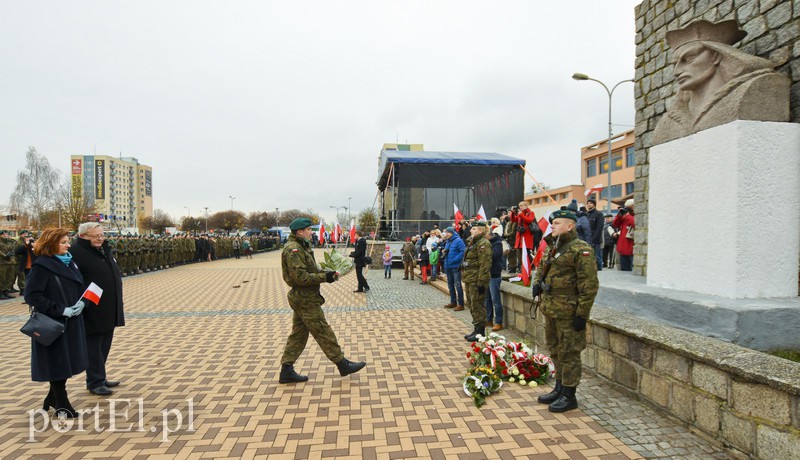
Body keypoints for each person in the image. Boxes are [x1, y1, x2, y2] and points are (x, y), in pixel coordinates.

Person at [653, 19, 790, 144]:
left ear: (716, 56)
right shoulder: (669, 121)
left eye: (688, 60)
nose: (677, 71)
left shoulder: (757, 90)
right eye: (674, 64)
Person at [278, 218, 366, 384]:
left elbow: (310, 270)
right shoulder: (293, 250)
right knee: (322, 331)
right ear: (299, 232)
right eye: (308, 230)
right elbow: (300, 277)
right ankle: (342, 363)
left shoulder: (301, 247)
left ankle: (286, 370)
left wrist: (328, 273)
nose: (311, 232)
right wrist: (324, 277)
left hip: (305, 297)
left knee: (298, 335)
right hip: (305, 299)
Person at [532, 210, 599, 413]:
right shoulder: (553, 247)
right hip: (551, 308)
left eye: (557, 222)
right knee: (554, 348)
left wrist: (582, 315)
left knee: (569, 352)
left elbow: (589, 286)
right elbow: (541, 269)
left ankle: (569, 395)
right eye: (552, 222)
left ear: (570, 226)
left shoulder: (581, 249)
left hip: (569, 311)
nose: (552, 225)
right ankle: (559, 387)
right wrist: (537, 284)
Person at [23, 228, 89, 418]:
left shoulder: (69, 262)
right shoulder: (42, 266)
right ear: (51, 244)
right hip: (53, 323)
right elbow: (32, 296)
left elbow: (78, 285)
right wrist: (61, 310)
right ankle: (61, 402)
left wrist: (83, 303)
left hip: (71, 321)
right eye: (63, 242)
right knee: (57, 363)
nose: (68, 245)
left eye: (67, 241)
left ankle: (52, 397)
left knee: (67, 361)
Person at [69, 222, 125, 396]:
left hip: (109, 305)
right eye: (96, 236)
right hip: (91, 308)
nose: (100, 238)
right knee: (93, 347)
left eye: (102, 235)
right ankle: (95, 381)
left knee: (105, 344)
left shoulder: (103, 249)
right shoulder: (76, 253)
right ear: (83, 236)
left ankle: (100, 376)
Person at [462, 221, 492, 341]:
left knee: (478, 304)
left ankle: (481, 332)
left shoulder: (483, 243)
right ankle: (476, 328)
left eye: (474, 229)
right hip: (470, 278)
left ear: (480, 230)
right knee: (471, 304)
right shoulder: (472, 242)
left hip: (477, 279)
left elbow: (485, 263)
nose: (471, 230)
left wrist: (481, 281)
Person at [485, 225, 504, 332]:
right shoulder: (487, 243)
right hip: (486, 274)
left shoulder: (497, 243)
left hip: (494, 274)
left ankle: (498, 322)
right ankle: (489, 319)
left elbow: (494, 255)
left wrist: (485, 248)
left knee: (495, 299)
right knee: (487, 299)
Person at [441, 227, 466, 310]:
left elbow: (463, 252)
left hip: (455, 266)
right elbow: (448, 251)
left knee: (458, 285)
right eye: (446, 232)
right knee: (450, 285)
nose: (446, 234)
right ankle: (453, 302)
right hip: (448, 266)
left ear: (452, 232)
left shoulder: (458, 241)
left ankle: (461, 304)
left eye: (448, 232)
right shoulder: (448, 241)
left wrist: (454, 260)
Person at [512, 202, 536, 275]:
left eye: (522, 205)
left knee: (527, 253)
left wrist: (521, 215)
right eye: (519, 206)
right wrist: (513, 213)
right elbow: (513, 220)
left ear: (526, 206)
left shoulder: (531, 213)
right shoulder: (520, 214)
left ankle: (531, 267)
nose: (520, 207)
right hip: (520, 237)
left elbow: (529, 220)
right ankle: (523, 269)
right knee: (520, 254)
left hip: (526, 237)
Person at [612, 199, 635, 271]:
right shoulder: (624, 217)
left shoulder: (635, 216)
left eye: (630, 207)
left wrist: (628, 215)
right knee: (624, 270)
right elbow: (615, 224)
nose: (628, 209)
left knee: (632, 269)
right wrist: (619, 215)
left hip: (631, 247)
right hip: (623, 247)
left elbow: (636, 224)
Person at [586, 198, 604, 271]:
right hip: (588, 238)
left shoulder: (599, 214)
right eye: (588, 203)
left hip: (595, 240)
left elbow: (599, 228)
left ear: (594, 204)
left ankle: (599, 269)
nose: (589, 204)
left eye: (590, 203)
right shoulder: (587, 214)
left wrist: (594, 238)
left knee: (597, 256)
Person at [0, 230, 17, 299]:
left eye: (6, 234)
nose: (5, 235)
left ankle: (7, 292)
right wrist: (4, 255)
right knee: (2, 278)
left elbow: (14, 247)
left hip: (11, 262)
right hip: (2, 263)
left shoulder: (10, 241)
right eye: (3, 234)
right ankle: (1, 293)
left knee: (10, 277)